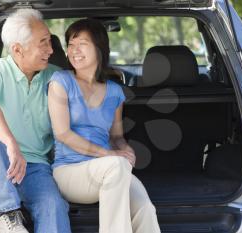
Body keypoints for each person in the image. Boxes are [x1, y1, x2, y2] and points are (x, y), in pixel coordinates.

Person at [47, 18, 161, 233]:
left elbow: (116, 136)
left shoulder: (115, 91)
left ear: (99, 49)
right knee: (117, 166)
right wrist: (108, 155)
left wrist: (124, 150)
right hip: (70, 171)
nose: (74, 51)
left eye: (82, 44)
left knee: (145, 208)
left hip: (108, 169)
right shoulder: (60, 81)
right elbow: (62, 133)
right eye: (70, 44)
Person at [0, 9, 71, 233]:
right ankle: (8, 214)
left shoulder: (56, 77)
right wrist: (10, 143)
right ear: (17, 49)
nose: (51, 49)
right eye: (43, 43)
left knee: (53, 205)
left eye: (50, 42)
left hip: (33, 167)